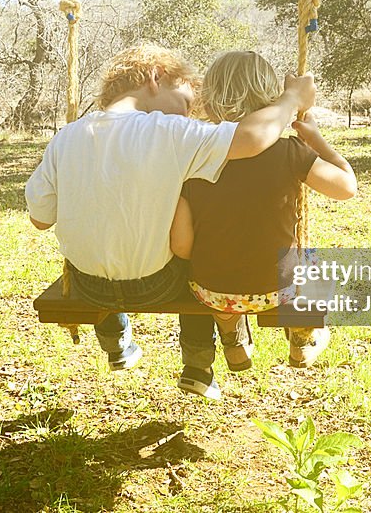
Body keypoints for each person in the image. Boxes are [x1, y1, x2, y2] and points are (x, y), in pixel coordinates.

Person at [25, 43, 316, 400]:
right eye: (186, 98)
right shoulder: (171, 131)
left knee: (107, 244)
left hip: (87, 286)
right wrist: (291, 99)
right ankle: (198, 362)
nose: (190, 111)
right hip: (155, 285)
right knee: (198, 262)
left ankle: (116, 340)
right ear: (156, 76)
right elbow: (254, 137)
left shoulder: (65, 137)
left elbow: (40, 220)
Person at [170, 51, 356, 385]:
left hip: (213, 292)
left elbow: (182, 247)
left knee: (218, 285)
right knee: (316, 264)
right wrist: (315, 139)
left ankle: (233, 341)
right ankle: (301, 340)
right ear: (272, 100)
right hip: (278, 291)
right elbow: (346, 188)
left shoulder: (194, 157)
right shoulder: (289, 152)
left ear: (209, 104)